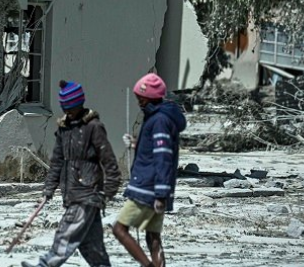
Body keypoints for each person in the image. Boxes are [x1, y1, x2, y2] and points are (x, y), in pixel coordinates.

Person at [22, 80, 122, 267]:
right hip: (72, 193)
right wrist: (49, 189)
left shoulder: (94, 127)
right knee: (91, 246)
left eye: (71, 108)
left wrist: (108, 192)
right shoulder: (64, 129)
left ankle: (45, 265)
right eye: (65, 108)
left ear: (79, 104)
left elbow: (109, 161)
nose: (67, 112)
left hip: (88, 194)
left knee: (65, 235)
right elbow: (57, 162)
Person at [113, 73, 186, 267]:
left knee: (119, 229)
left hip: (148, 187)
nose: (138, 102)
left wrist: (161, 194)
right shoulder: (158, 117)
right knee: (153, 236)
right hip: (156, 187)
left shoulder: (159, 120)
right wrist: (136, 145)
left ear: (151, 97)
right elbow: (155, 149)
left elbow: (163, 157)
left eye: (141, 98)